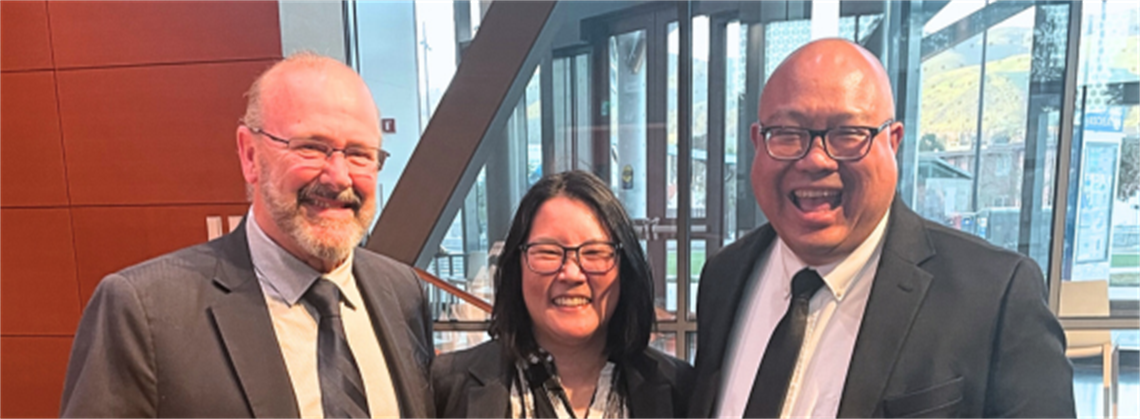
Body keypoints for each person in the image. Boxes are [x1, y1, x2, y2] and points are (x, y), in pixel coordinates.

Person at [690, 39, 1075, 418]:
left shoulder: (995, 297)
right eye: (789, 135)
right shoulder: (723, 278)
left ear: (893, 142)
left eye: (847, 134)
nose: (816, 160)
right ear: (758, 142)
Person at [60, 53, 434, 418]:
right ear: (250, 155)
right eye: (311, 148)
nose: (338, 177)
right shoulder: (142, 312)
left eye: (359, 154)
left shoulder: (401, 293)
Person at [432, 170, 694, 419]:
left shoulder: (681, 391)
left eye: (594, 252)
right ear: (516, 266)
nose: (571, 274)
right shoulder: (449, 386)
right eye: (548, 252)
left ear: (625, 268)